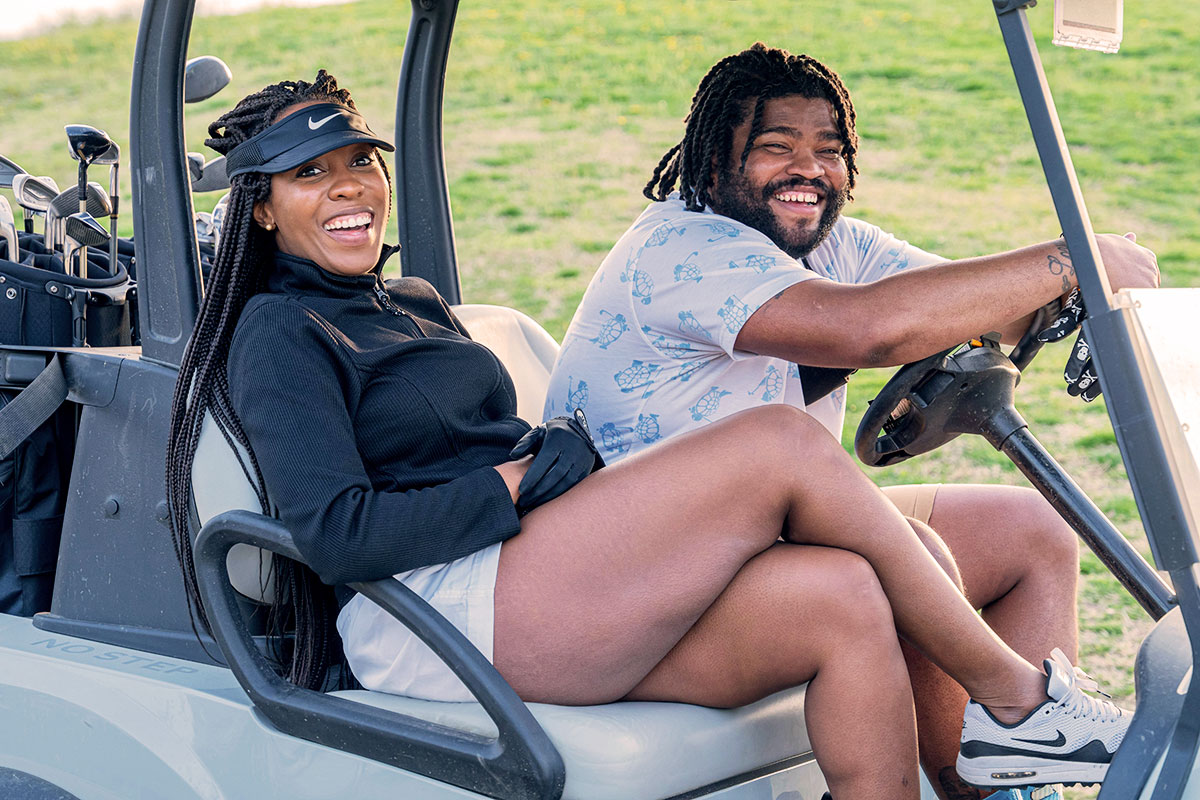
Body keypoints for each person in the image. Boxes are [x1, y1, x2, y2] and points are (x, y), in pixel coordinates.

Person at [164, 71, 1132, 800]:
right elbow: (336, 533)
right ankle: (1017, 698)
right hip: (431, 606)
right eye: (309, 175)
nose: (350, 188)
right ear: (261, 206)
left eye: (360, 163)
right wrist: (513, 481)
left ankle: (1003, 759)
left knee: (845, 591)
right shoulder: (277, 333)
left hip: (535, 563)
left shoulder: (407, 299)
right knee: (782, 445)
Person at [543, 43, 1158, 799]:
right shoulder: (682, 250)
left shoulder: (831, 244)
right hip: (652, 569)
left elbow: (955, 306)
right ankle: (1018, 710)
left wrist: (1081, 284)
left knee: (1026, 529)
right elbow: (867, 329)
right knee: (907, 556)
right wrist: (1071, 259)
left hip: (762, 534)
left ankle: (1010, 776)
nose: (809, 171)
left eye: (829, 152)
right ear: (711, 166)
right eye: (776, 148)